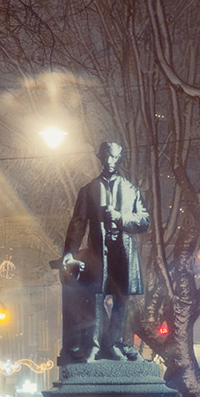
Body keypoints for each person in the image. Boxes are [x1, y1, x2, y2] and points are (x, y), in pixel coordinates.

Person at [60, 140, 151, 362]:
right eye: (106, 156)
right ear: (100, 157)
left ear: (119, 159)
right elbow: (78, 223)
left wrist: (121, 217)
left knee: (121, 298)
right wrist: (69, 252)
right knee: (96, 295)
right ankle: (94, 344)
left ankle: (114, 343)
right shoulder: (88, 190)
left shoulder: (131, 190)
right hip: (98, 252)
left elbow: (144, 220)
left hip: (123, 251)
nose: (110, 161)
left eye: (114, 157)